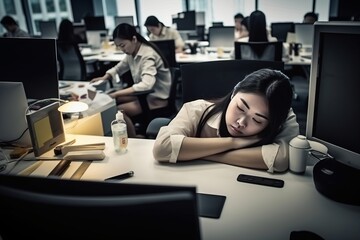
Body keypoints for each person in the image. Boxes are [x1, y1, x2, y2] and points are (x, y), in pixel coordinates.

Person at [153, 68, 300, 173]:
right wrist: (233, 142)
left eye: (257, 120)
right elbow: (162, 148)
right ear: (234, 93)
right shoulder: (196, 109)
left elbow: (280, 160)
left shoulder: (283, 118)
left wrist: (196, 152)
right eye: (241, 108)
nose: (241, 122)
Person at [90, 23, 172, 138]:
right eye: (119, 46)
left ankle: (133, 139)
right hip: (145, 95)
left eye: (123, 45)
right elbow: (120, 67)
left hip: (156, 98)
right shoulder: (132, 52)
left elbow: (146, 85)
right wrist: (105, 77)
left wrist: (117, 93)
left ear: (134, 39)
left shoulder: (147, 55)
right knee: (112, 99)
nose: (122, 49)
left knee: (119, 111)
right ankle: (131, 129)